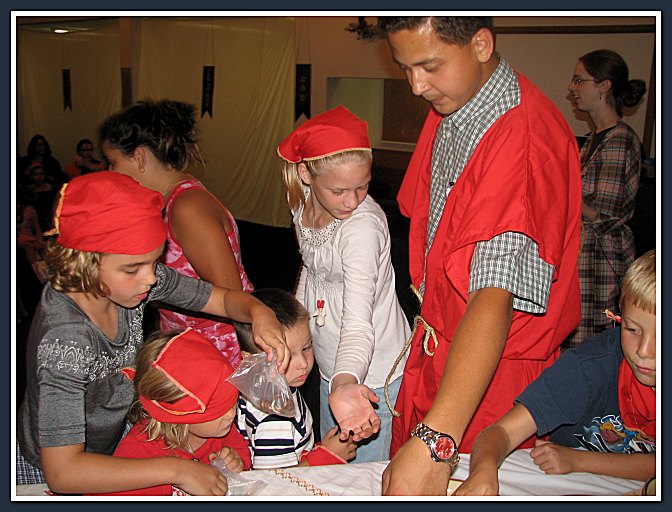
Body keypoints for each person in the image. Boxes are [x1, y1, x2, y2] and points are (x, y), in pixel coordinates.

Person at [376, 16, 582, 495]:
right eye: (405, 68)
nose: (416, 86)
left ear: (482, 44)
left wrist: (436, 440)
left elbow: (493, 295)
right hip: (441, 349)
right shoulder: (455, 102)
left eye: (429, 66)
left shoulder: (523, 141)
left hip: (489, 372)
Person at [16, 171, 288, 495]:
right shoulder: (65, 341)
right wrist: (177, 469)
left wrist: (258, 311)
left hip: (110, 438)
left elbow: (223, 299)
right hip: (53, 467)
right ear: (85, 263)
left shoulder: (129, 281)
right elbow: (64, 472)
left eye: (154, 262)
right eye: (134, 268)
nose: (151, 279)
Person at [455, 249, 656, 495]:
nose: (644, 350)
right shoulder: (588, 367)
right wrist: (483, 470)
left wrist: (578, 460)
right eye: (632, 329)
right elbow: (502, 432)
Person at [278, 106, 410, 463]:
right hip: (333, 362)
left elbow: (358, 324)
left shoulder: (361, 229)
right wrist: (295, 333)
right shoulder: (301, 201)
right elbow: (312, 270)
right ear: (305, 174)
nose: (352, 201)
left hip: (370, 372)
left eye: (362, 186)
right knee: (332, 461)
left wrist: (344, 383)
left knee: (361, 476)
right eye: (338, 190)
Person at [99, 99, 253, 367]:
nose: (110, 172)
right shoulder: (166, 202)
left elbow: (231, 294)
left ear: (139, 157)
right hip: (186, 345)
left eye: (113, 162)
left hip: (214, 352)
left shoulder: (187, 207)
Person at [101, 328, 252, 496]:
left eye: (232, 403)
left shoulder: (220, 430)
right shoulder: (140, 452)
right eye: (218, 410)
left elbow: (240, 449)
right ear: (178, 414)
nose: (231, 414)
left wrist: (236, 460)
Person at [565, 49, 647, 349]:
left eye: (579, 80)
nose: (572, 88)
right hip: (583, 260)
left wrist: (561, 192)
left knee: (595, 350)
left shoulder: (620, 139)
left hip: (601, 265)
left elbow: (605, 214)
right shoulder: (591, 141)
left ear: (604, 86)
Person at [235, 288, 357, 469]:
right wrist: (328, 456)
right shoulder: (275, 418)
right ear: (250, 359)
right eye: (288, 355)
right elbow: (278, 481)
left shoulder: (262, 388)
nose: (303, 363)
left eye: (306, 348)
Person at [24, 162, 56, 232]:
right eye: (36, 174)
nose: (39, 177)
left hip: (48, 215)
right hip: (35, 216)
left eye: (41, 174)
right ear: (31, 176)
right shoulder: (28, 189)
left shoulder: (49, 187)